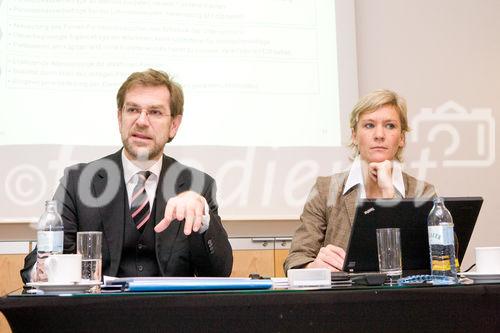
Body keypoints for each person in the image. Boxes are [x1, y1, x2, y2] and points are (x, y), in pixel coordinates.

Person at [21, 69, 233, 282]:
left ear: (174, 125)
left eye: (155, 112)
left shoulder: (199, 185)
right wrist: (44, 272)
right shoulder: (78, 182)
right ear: (119, 116)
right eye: (132, 109)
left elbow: (219, 273)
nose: (141, 121)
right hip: (99, 312)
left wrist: (203, 219)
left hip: (171, 312)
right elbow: (39, 262)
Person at [284, 89, 436, 273]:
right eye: (369, 125)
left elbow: (443, 256)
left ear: (402, 138)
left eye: (390, 126)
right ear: (354, 136)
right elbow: (295, 259)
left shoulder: (423, 193)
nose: (379, 135)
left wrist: (389, 194)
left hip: (404, 299)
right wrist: (314, 266)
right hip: (344, 299)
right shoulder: (325, 190)